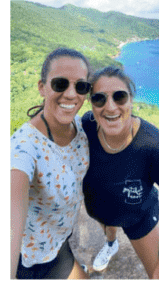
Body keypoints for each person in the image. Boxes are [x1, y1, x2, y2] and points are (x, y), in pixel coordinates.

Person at [80, 66, 159, 279]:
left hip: (138, 217)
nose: (110, 107)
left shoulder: (155, 147)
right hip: (100, 209)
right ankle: (111, 244)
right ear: (91, 104)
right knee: (109, 225)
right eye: (99, 99)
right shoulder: (86, 126)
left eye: (120, 97)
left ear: (131, 100)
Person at [10, 48, 92, 279]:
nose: (70, 94)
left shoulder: (80, 126)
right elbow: (11, 211)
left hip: (61, 239)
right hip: (37, 260)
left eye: (81, 86)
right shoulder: (24, 146)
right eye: (60, 84)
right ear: (41, 87)